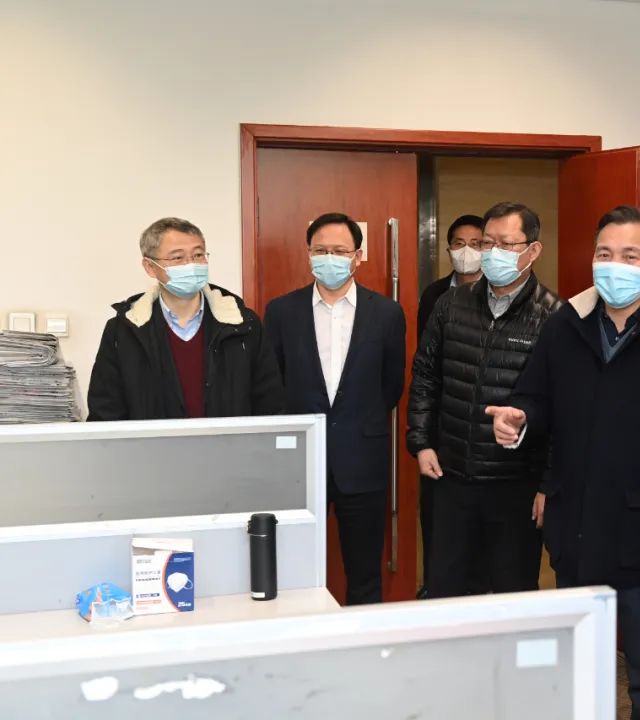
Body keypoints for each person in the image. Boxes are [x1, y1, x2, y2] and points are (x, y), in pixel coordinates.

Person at [488, 206, 640, 720]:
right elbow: (534, 399)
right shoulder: (564, 327)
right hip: (576, 530)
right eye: (605, 253)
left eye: (629, 255)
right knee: (579, 668)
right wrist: (518, 418)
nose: (614, 265)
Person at [407, 201, 561, 600]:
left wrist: (549, 484)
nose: (493, 253)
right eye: (487, 244)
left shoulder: (555, 318)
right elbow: (425, 375)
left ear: (533, 250)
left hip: (515, 485)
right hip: (451, 476)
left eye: (506, 244)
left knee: (513, 594)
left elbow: (564, 410)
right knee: (448, 590)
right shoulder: (450, 304)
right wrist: (421, 442)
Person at [263, 212, 405, 605]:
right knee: (292, 569)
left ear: (357, 256)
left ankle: (364, 637)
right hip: (299, 462)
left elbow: (391, 385)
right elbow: (273, 384)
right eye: (321, 250)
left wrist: (357, 421)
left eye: (340, 251)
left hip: (362, 459)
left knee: (364, 571)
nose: (330, 258)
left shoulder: (386, 313)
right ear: (308, 254)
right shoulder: (281, 311)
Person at [87, 217, 283, 421]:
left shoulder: (243, 324)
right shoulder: (123, 330)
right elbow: (105, 411)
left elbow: (270, 403)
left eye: (198, 255)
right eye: (178, 258)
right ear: (150, 267)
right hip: (153, 442)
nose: (191, 265)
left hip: (228, 441)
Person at [415, 213, 486, 599]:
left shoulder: (508, 297)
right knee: (439, 524)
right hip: (444, 426)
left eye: (476, 244)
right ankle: (436, 591)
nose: (467, 251)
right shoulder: (435, 296)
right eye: (459, 244)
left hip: (488, 432)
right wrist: (423, 436)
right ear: (448, 249)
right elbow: (425, 366)